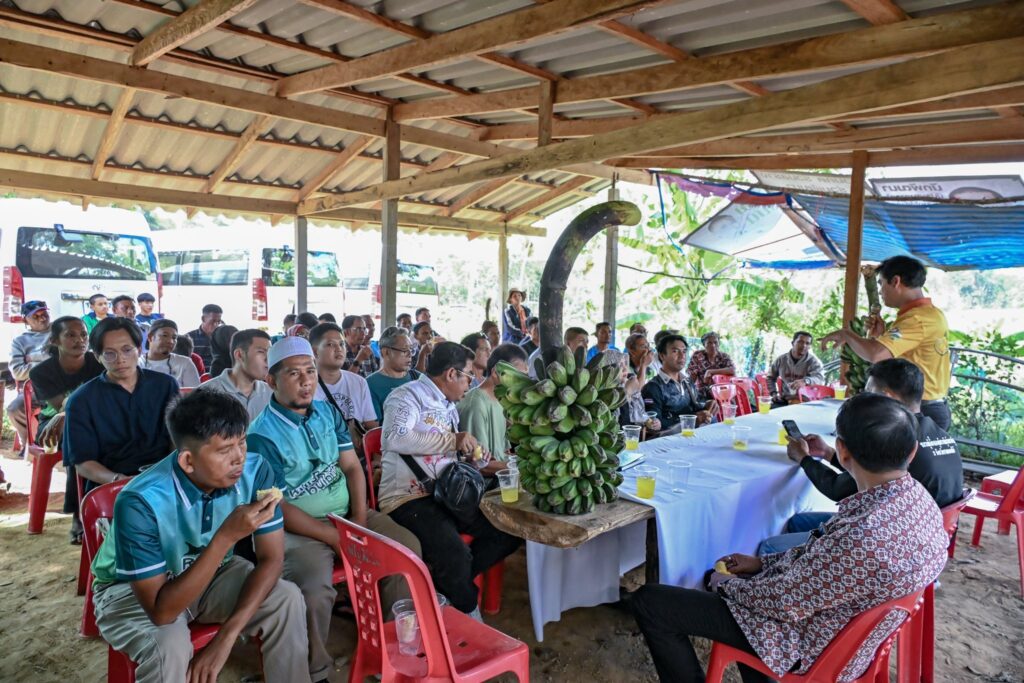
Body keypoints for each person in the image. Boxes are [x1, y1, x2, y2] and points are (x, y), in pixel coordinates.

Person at [632, 392, 950, 683]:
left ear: (841, 451)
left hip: (809, 643)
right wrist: (763, 563)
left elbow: (782, 603)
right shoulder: (921, 503)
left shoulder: (862, 535)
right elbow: (821, 561)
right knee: (751, 587)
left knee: (651, 602)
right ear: (912, 451)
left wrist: (725, 584)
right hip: (853, 639)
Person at [90, 389, 311, 683]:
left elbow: (272, 558)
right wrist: (225, 537)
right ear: (187, 461)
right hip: (129, 591)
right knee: (168, 646)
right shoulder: (140, 501)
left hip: (213, 572)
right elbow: (161, 612)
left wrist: (226, 637)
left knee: (286, 598)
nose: (239, 458)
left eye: (242, 442)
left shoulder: (256, 470)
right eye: (224, 450)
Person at [247, 337, 419, 681]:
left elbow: (352, 467)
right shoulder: (261, 435)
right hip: (297, 529)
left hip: (347, 516)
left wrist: (357, 523)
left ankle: (391, 650)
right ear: (271, 381)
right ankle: (317, 670)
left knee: (407, 551)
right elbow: (277, 507)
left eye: (310, 371)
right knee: (313, 590)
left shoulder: (326, 412)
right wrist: (334, 537)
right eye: (293, 373)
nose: (305, 381)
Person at [759, 358, 964, 554]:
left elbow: (837, 489)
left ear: (887, 397)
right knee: (798, 521)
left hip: (891, 539)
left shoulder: (894, 438)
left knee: (770, 547)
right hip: (929, 530)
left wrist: (803, 458)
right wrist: (828, 454)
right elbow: (868, 469)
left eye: (868, 393)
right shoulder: (937, 432)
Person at [380, 342, 521, 616]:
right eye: (468, 375)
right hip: (409, 499)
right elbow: (394, 437)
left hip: (449, 494)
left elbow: (449, 454)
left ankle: (445, 587)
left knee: (508, 529)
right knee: (454, 554)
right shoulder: (407, 396)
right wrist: (452, 440)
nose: (471, 382)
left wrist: (472, 458)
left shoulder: (449, 406)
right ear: (451, 374)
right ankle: (467, 610)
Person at [821, 256, 952, 429]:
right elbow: (890, 359)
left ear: (896, 281)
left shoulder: (917, 319)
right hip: (924, 406)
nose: (881, 291)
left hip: (922, 410)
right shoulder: (929, 314)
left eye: (881, 283)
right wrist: (881, 336)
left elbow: (876, 354)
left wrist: (847, 335)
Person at [63, 317, 178, 495]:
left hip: (163, 479)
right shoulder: (82, 400)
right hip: (111, 485)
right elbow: (83, 463)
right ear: (98, 357)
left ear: (139, 349)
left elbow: (177, 439)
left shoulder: (165, 385)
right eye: (109, 353)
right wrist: (120, 480)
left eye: (127, 350)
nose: (120, 360)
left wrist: (172, 474)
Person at [29, 316, 103, 543]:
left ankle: (106, 504)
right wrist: (68, 413)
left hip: (94, 421)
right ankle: (79, 514)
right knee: (77, 437)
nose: (80, 340)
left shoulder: (98, 363)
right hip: (53, 426)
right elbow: (62, 406)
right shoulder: (41, 372)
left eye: (83, 335)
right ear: (55, 340)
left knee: (95, 436)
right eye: (70, 335)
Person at [458, 343, 528, 466]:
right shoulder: (476, 404)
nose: (522, 383)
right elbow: (480, 464)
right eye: (518, 376)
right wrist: (524, 468)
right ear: (496, 372)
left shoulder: (501, 401)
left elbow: (503, 453)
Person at [310, 323, 379, 431]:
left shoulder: (359, 382)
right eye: (330, 344)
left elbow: (371, 425)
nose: (339, 349)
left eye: (342, 344)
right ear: (315, 351)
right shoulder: (307, 386)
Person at [642, 334, 716, 434]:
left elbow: (696, 405)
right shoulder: (653, 388)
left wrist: (707, 405)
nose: (682, 356)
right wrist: (691, 421)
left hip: (692, 435)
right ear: (662, 355)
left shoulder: (687, 381)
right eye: (675, 351)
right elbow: (654, 427)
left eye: (684, 351)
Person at [199, 329, 273, 423]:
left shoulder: (272, 394)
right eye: (261, 352)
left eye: (270, 353)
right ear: (239, 355)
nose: (268, 359)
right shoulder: (205, 394)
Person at [7, 299, 51, 452]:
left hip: (66, 384)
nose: (42, 318)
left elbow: (68, 359)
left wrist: (33, 359)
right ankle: (29, 446)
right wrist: (48, 362)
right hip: (38, 388)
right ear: (25, 320)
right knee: (14, 409)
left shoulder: (61, 331)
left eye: (44, 314)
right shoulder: (19, 342)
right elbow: (18, 372)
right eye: (35, 316)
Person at [366, 326, 419, 422]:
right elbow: (374, 425)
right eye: (404, 350)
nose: (410, 355)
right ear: (386, 352)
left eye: (411, 350)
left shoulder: (417, 378)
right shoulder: (370, 384)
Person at [138, 319, 201, 388]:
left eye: (174, 337)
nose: (170, 341)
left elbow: (195, 393)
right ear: (150, 337)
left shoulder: (184, 363)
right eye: (165, 335)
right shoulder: (137, 363)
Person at [767, 331, 825, 404]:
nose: (804, 346)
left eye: (807, 343)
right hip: (784, 400)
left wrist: (805, 381)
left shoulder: (814, 362)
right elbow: (770, 377)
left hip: (806, 402)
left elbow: (820, 379)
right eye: (800, 342)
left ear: (810, 346)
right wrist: (774, 393)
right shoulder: (781, 360)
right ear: (793, 343)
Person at [687, 331, 735, 397]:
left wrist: (710, 371)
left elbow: (732, 370)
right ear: (704, 345)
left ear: (719, 344)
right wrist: (688, 392)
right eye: (709, 343)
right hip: (702, 393)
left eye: (715, 342)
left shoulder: (724, 356)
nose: (713, 345)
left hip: (721, 393)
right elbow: (692, 376)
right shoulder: (698, 356)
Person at [339, 314, 379, 378]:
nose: (363, 333)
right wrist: (359, 360)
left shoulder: (367, 352)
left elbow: (375, 378)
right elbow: (342, 382)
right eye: (358, 329)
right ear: (346, 332)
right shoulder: (339, 353)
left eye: (364, 329)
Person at [186, 303, 223, 371]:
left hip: (219, 375)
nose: (216, 324)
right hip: (196, 375)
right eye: (213, 321)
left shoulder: (222, 338)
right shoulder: (189, 338)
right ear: (203, 319)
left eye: (219, 322)